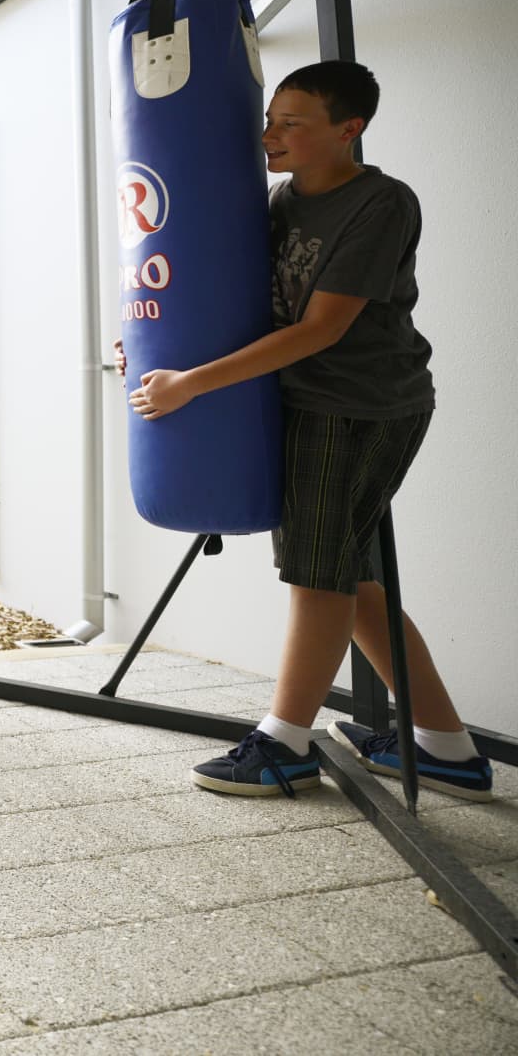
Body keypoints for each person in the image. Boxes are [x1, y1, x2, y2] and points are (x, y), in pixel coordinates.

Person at [127, 61, 491, 801]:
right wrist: (155, 344)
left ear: (347, 129)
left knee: (318, 576)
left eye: (291, 122)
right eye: (271, 119)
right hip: (308, 402)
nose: (270, 134)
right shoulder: (281, 201)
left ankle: (285, 745)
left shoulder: (381, 203)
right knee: (354, 584)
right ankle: (448, 748)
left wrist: (192, 383)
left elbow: (321, 329)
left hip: (357, 405)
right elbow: (238, 298)